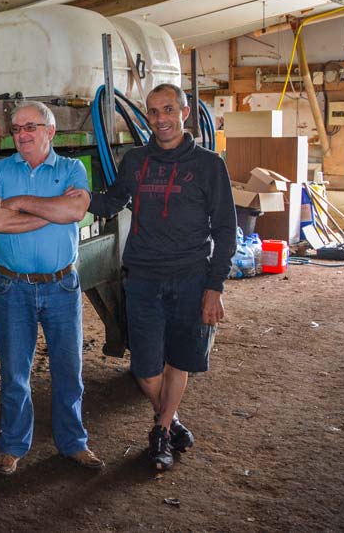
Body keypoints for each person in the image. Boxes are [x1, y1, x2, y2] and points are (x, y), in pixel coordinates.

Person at [88, 83, 236, 471]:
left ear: (184, 113)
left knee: (179, 359)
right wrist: (71, 192)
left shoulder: (208, 165)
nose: (160, 119)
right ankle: (168, 421)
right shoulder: (136, 161)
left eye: (168, 109)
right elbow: (110, 201)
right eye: (153, 112)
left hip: (191, 276)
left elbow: (224, 229)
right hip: (143, 278)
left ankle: (160, 432)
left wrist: (214, 287)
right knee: (145, 367)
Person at [0, 102, 104, 475]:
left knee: (69, 369)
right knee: (15, 371)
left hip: (61, 285)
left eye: (30, 126)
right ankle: (13, 446)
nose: (22, 134)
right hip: (12, 287)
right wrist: (50, 211)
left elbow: (76, 212)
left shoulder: (72, 168)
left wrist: (19, 206)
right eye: (16, 128)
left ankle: (73, 443)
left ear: (50, 131)